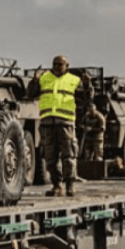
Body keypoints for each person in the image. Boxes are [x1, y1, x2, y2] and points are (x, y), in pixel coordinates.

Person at [28, 55, 93, 197]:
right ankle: (57, 185)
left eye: (60, 64)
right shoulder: (44, 78)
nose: (57, 67)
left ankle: (70, 184)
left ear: (67, 66)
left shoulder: (74, 80)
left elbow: (87, 100)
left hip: (66, 122)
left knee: (68, 155)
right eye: (55, 64)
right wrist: (34, 80)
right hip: (47, 123)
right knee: (50, 157)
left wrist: (88, 85)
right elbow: (31, 94)